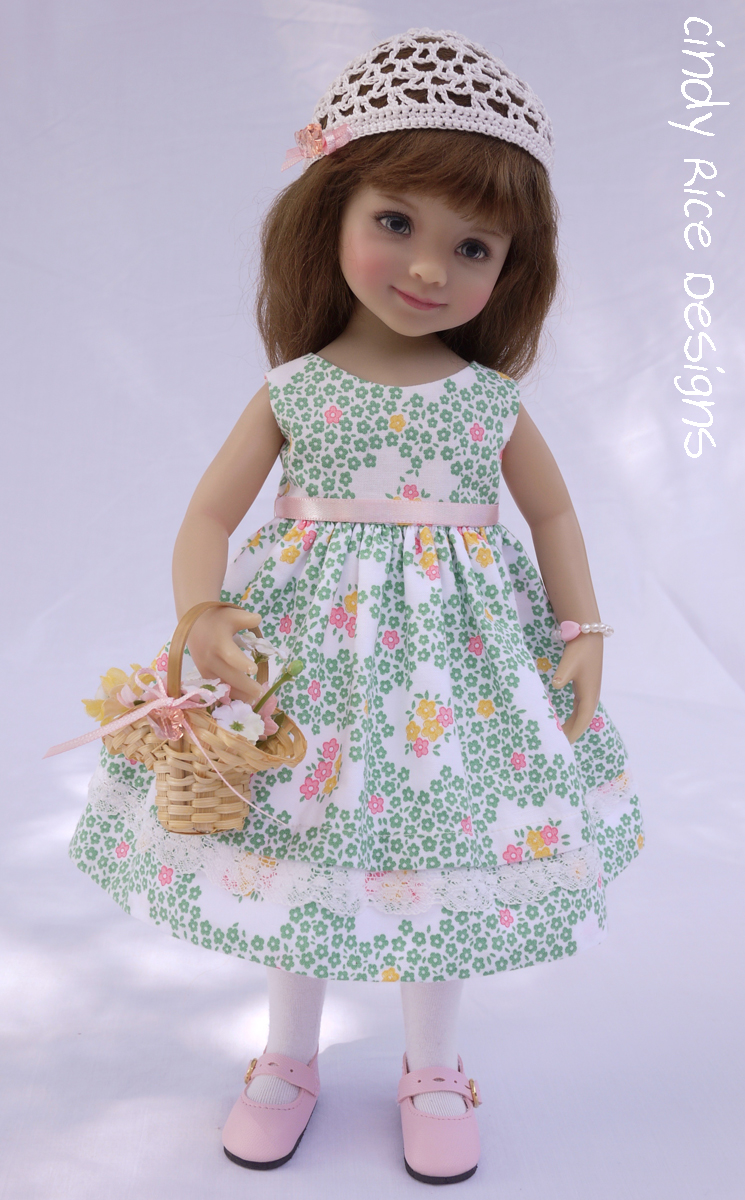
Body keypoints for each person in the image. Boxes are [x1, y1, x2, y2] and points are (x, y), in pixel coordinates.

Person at [68, 27, 644, 1185]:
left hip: (457, 673)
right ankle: (288, 1057)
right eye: (396, 222)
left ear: (511, 268)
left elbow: (554, 517)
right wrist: (202, 613)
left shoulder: (487, 401)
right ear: (329, 215)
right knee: (304, 845)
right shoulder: (296, 389)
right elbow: (208, 514)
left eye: (471, 246)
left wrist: (581, 632)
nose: (429, 269)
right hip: (309, 661)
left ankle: (434, 1067)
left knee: (444, 850)